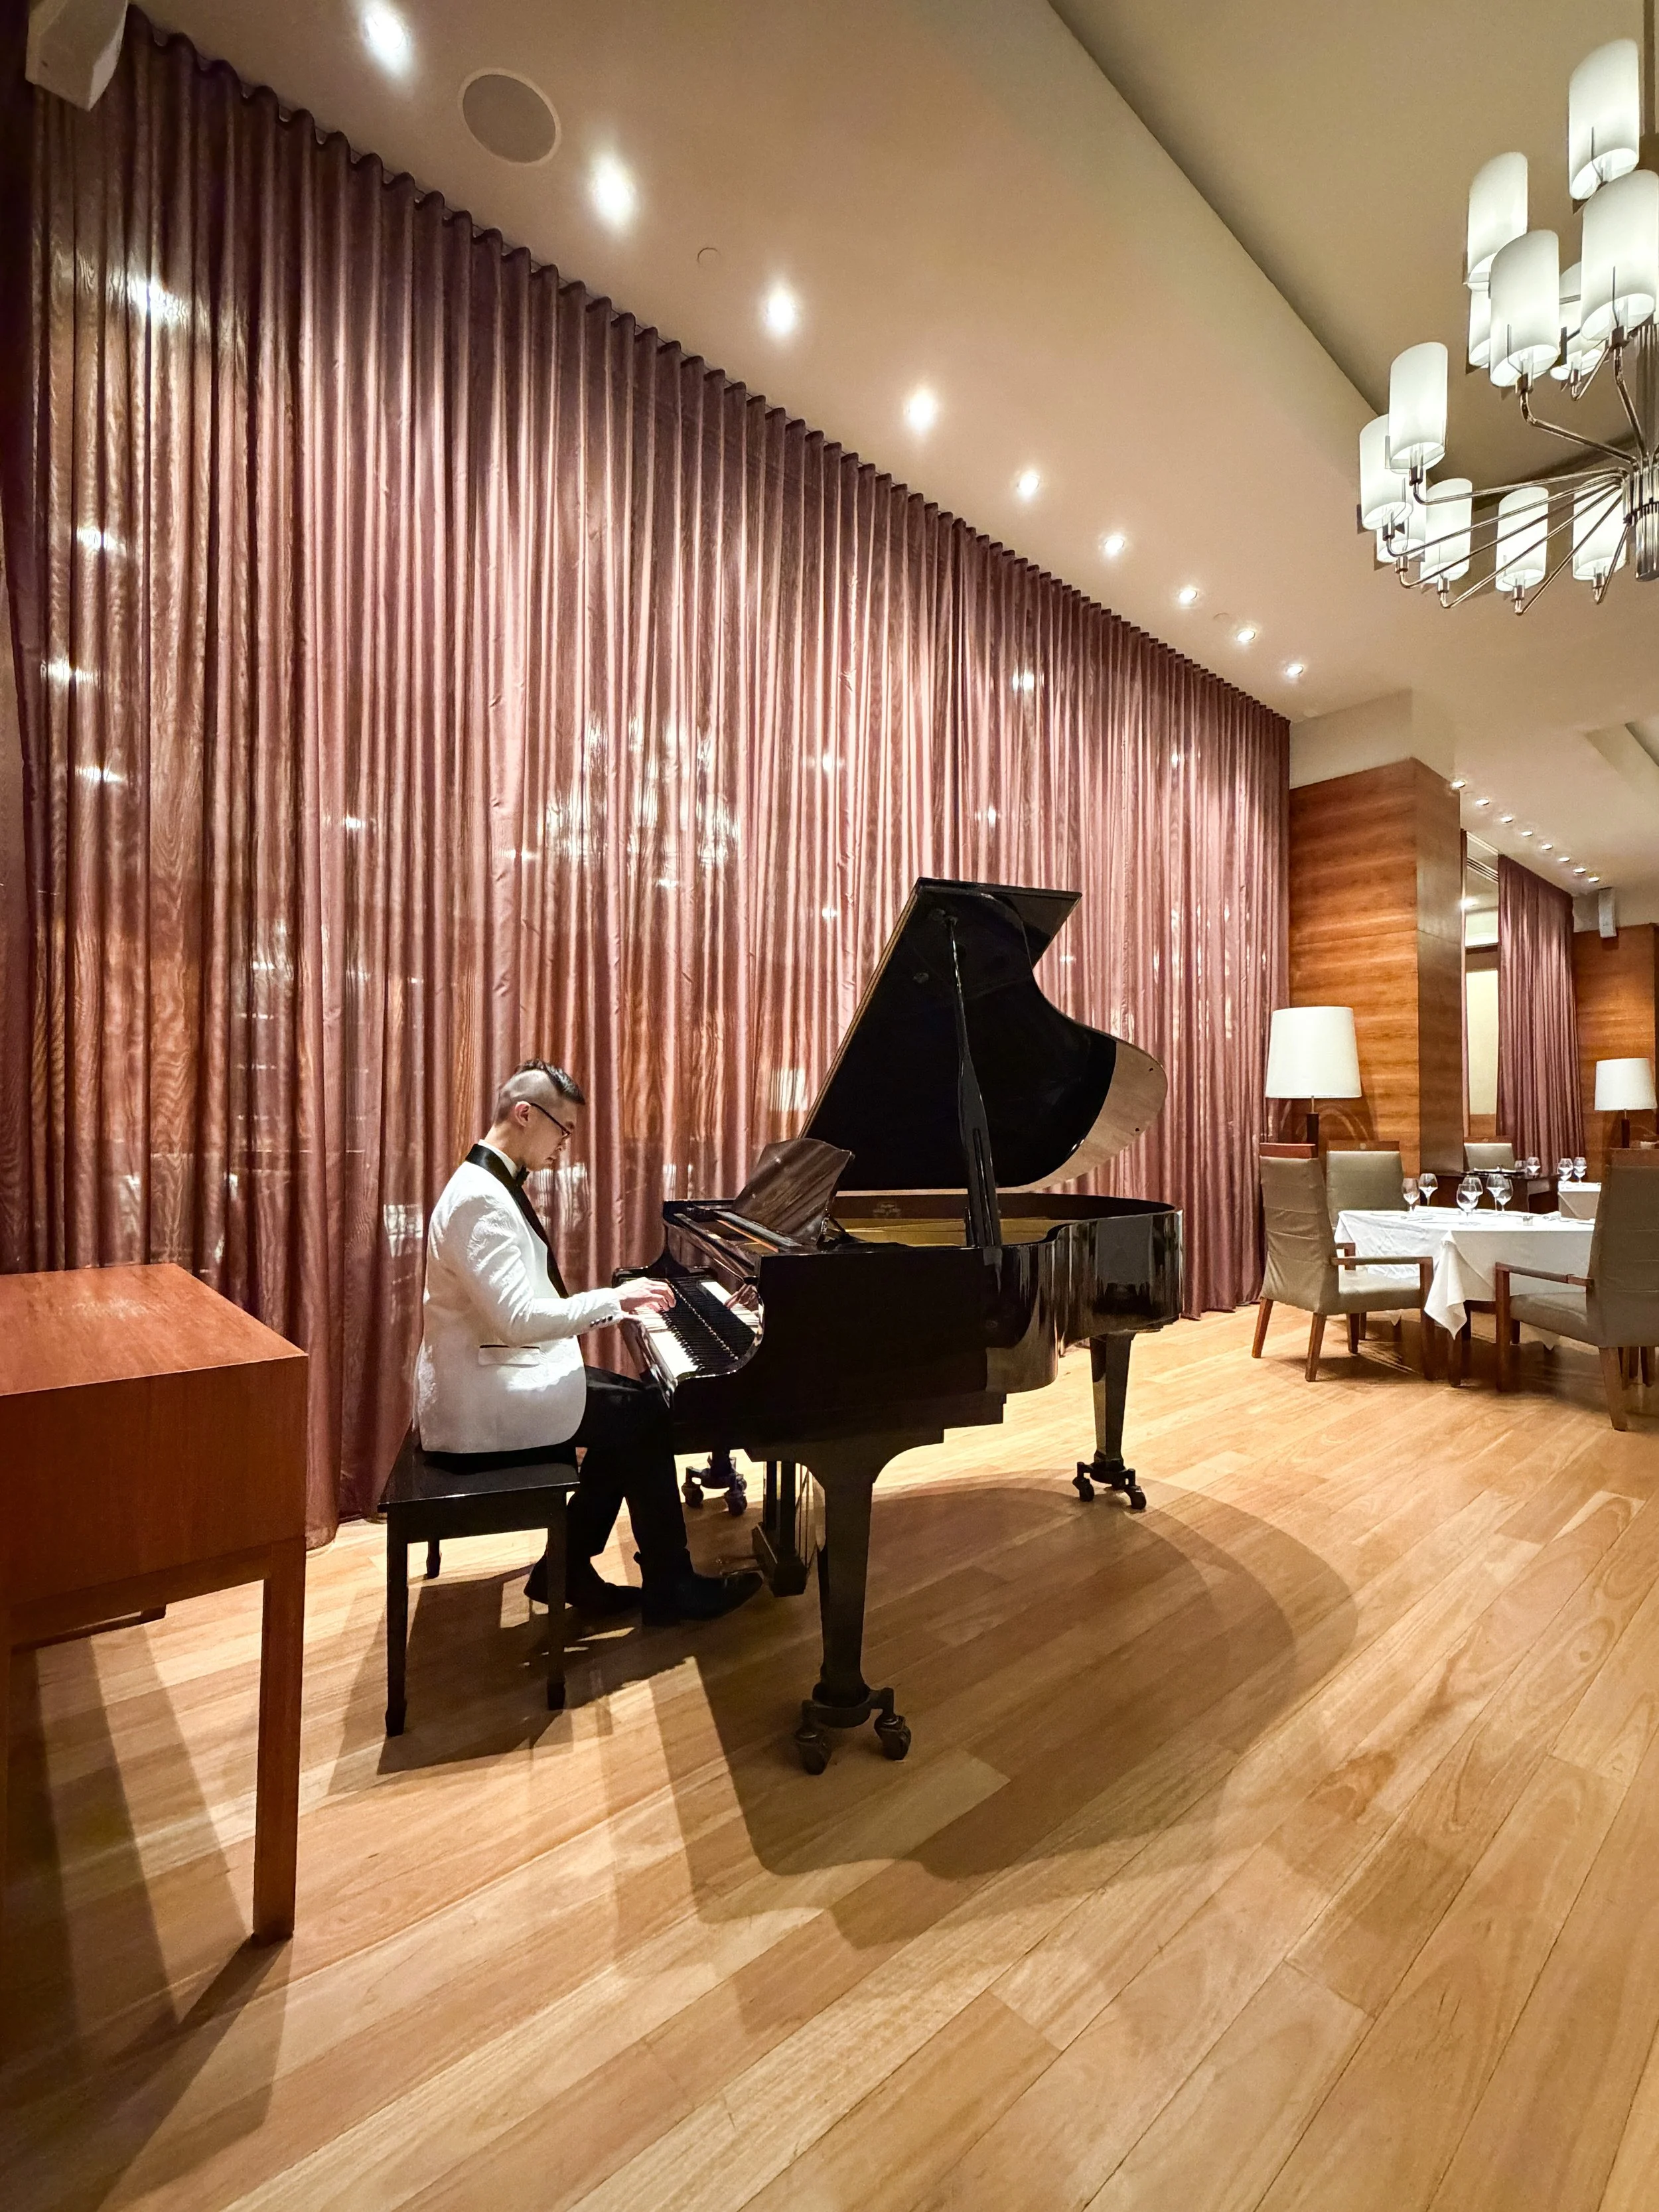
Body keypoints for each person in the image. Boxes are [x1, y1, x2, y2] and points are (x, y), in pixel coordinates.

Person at [414, 1058, 762, 1625]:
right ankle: (669, 1587)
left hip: (492, 1373)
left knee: (631, 1406)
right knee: (643, 1414)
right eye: (563, 1129)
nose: (564, 1145)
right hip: (481, 1398)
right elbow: (519, 1319)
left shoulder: (485, 1183)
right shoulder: (481, 1198)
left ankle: (570, 1567)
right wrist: (615, 1300)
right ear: (525, 1114)